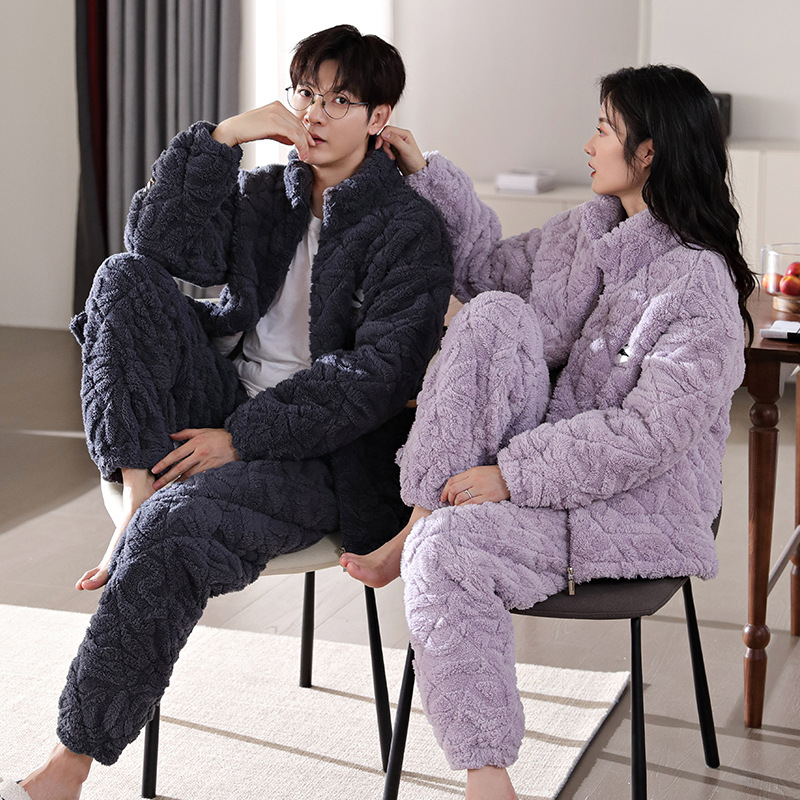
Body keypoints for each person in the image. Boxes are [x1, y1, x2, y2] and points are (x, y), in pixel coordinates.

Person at [0, 25, 452, 800]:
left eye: (339, 100)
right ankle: (137, 485)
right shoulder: (266, 195)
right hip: (226, 396)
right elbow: (156, 245)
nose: (314, 112)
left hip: (322, 456)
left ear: (379, 118)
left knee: (173, 532)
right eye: (306, 92)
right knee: (120, 277)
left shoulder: (409, 228)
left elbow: (372, 380)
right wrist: (222, 139)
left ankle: (67, 766)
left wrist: (237, 441)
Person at [340, 64, 755, 800]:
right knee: (495, 315)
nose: (589, 144)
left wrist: (513, 475)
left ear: (648, 152)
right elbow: (480, 272)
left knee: (447, 552)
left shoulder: (699, 287)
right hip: (545, 468)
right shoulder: (582, 231)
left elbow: (646, 434)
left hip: (632, 508)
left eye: (603, 129)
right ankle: (420, 516)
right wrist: (427, 173)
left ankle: (486, 780)